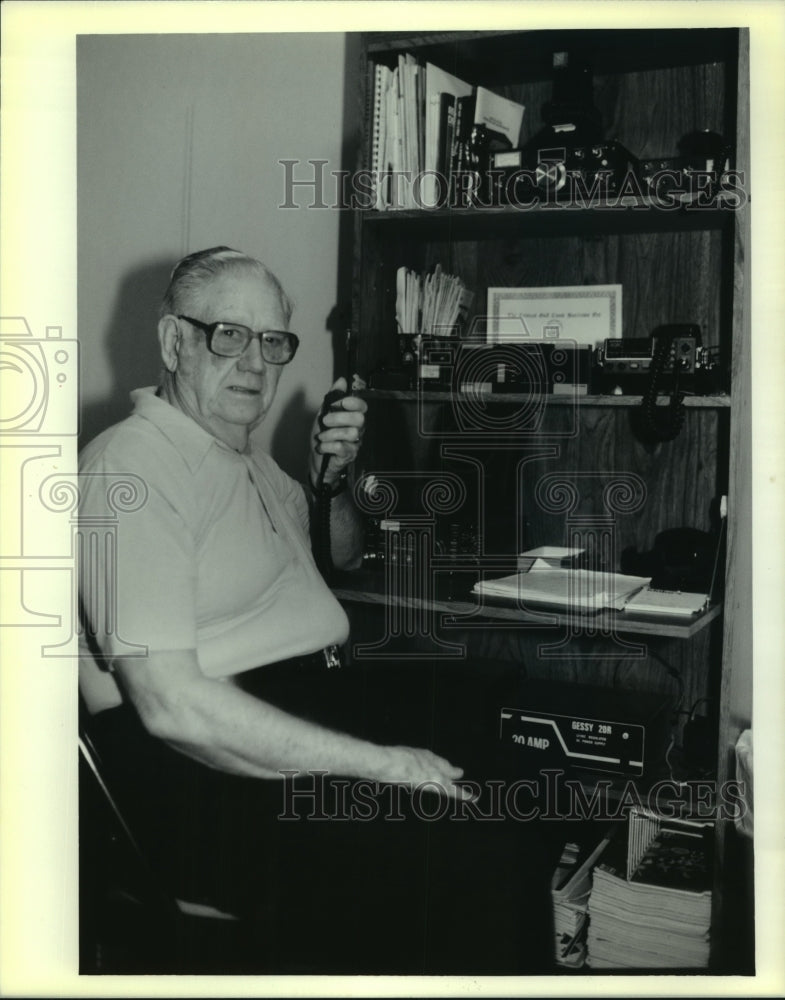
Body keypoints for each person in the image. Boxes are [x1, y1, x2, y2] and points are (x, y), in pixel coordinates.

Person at [79, 246, 555, 975]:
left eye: (272, 342)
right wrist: (383, 766)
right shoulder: (133, 464)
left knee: (525, 781)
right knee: (462, 840)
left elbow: (339, 559)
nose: (255, 364)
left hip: (304, 697)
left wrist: (332, 485)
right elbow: (173, 708)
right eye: (227, 335)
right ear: (174, 341)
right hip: (194, 764)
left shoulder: (250, 461)